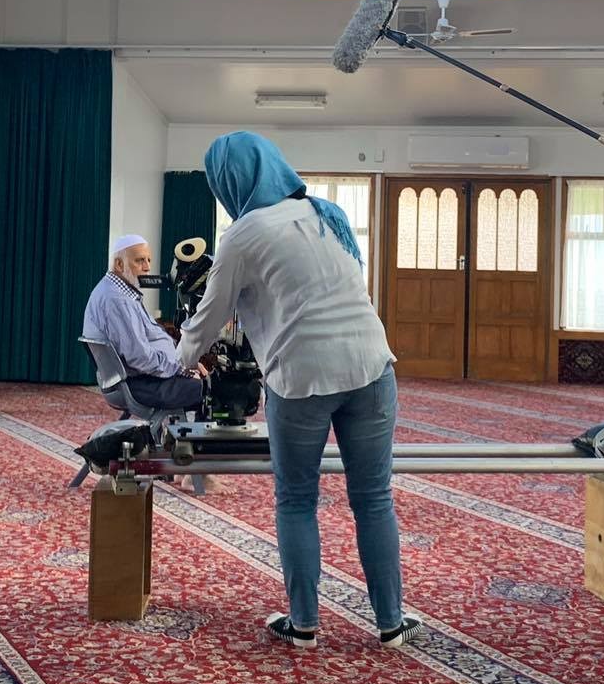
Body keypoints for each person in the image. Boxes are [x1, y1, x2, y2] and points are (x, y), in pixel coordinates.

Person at [176, 132, 419, 649]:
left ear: (229, 182)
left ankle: (305, 625)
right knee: (374, 499)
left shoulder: (243, 234)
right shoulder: (327, 212)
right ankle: (391, 623)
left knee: (296, 501)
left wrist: (174, 365)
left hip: (302, 378)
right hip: (373, 366)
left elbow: (209, 319)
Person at [84, 234, 205, 414]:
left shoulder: (118, 292)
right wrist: (181, 369)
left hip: (143, 379)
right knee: (214, 392)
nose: (148, 267)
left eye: (148, 260)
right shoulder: (117, 301)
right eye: (140, 261)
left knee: (210, 386)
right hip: (142, 383)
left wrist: (183, 361)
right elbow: (140, 358)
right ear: (119, 264)